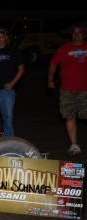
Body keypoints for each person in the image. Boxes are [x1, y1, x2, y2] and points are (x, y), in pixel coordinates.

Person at [48, 23, 87, 155]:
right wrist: (50, 79)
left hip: (85, 89)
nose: (77, 34)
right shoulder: (64, 48)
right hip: (67, 90)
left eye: (80, 32)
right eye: (74, 32)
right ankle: (74, 145)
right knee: (69, 116)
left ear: (84, 33)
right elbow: (53, 63)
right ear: (71, 34)